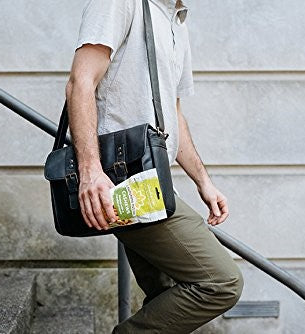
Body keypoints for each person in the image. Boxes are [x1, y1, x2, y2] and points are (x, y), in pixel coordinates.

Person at [65, 0, 244, 332]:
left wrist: (203, 181)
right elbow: (81, 81)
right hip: (122, 180)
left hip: (154, 180)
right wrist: (90, 172)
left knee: (166, 296)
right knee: (220, 282)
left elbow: (172, 113)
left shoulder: (177, 19)